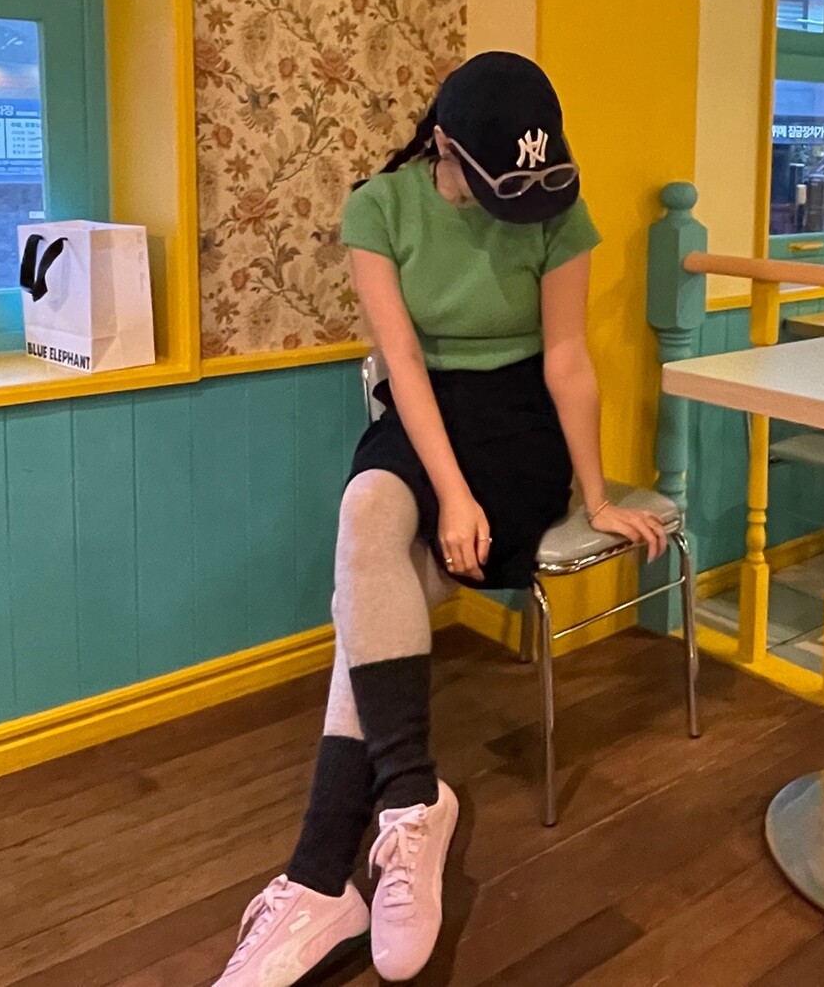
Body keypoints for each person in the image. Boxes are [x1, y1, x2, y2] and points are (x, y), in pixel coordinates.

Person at [213, 52, 669, 985]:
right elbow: (406, 365)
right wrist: (450, 493)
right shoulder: (379, 208)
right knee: (368, 508)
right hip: (425, 412)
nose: (518, 211)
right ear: (445, 145)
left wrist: (596, 496)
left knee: (367, 598)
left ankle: (319, 876)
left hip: (519, 427)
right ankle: (413, 798)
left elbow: (568, 358)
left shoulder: (558, 212)